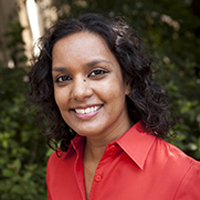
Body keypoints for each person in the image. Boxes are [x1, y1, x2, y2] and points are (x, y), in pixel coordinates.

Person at [28, 13, 200, 200]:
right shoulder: (57, 165)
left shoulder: (183, 175)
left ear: (128, 81)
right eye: (63, 78)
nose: (79, 92)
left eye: (97, 72)